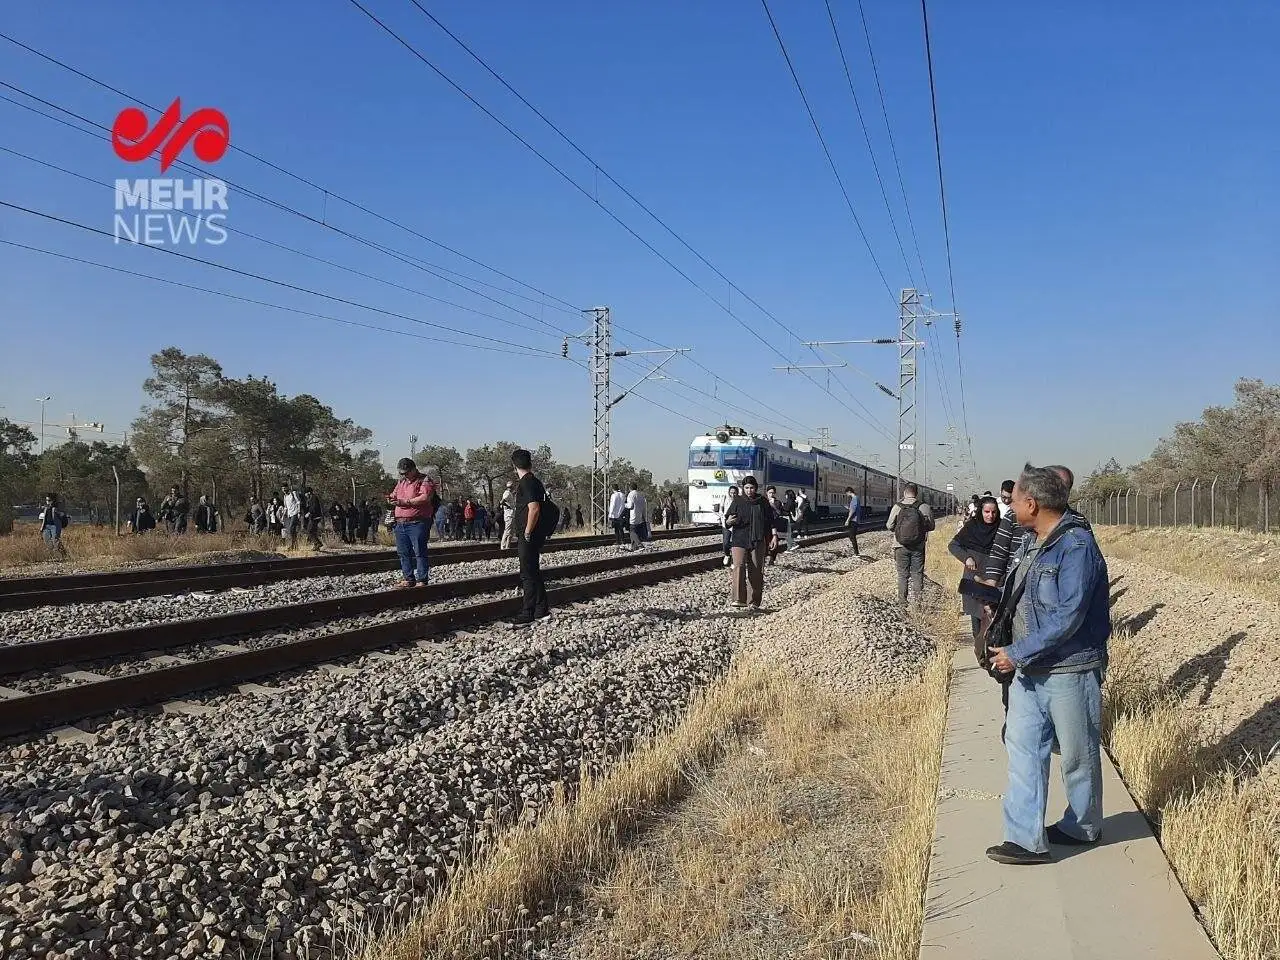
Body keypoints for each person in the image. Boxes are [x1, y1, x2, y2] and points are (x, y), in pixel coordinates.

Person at [984, 464, 1111, 866]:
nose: (1011, 504)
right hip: (1028, 669)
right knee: (1022, 749)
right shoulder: (1031, 541)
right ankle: (1025, 839)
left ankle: (1082, 826)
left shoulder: (1077, 546)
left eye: (1015, 499)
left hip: (1070, 670)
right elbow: (1022, 597)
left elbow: (1068, 617)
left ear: (1032, 503)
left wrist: (1017, 653)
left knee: (1078, 756)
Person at [723, 475, 781, 612]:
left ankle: (753, 601)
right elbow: (728, 519)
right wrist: (729, 522)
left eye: (752, 488)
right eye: (747, 488)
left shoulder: (762, 501)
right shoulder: (737, 501)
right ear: (743, 488)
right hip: (739, 539)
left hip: (758, 539)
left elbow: (771, 520)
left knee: (756, 570)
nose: (749, 490)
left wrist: (774, 536)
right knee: (738, 566)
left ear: (756, 488)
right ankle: (738, 599)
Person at [949, 496, 1001, 638]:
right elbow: (953, 545)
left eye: (994, 512)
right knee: (976, 617)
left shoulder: (1002, 529)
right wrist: (967, 558)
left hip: (994, 578)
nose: (990, 516)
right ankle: (980, 652)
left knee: (994, 617)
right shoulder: (971, 527)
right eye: (987, 512)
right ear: (981, 512)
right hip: (973, 577)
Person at [510, 448, 551, 627]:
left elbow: (534, 508)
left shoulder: (526, 483)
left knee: (527, 574)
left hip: (529, 535)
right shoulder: (535, 481)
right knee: (533, 571)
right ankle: (542, 610)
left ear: (514, 466)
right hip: (535, 533)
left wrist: (527, 531)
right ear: (530, 463)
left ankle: (528, 612)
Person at [388, 457, 437, 589]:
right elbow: (394, 494)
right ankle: (408, 578)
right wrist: (391, 499)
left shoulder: (424, 480)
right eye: (401, 473)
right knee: (403, 552)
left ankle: (422, 579)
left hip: (418, 522)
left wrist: (406, 502)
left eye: (406, 472)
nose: (403, 475)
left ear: (414, 469)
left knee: (419, 551)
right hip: (400, 522)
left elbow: (425, 497)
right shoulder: (401, 482)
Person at [887, 483, 935, 609]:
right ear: (917, 493)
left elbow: (889, 526)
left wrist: (900, 529)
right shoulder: (924, 506)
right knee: (917, 574)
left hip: (900, 545)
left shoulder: (897, 507)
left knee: (903, 575)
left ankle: (902, 603)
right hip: (918, 546)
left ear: (904, 493)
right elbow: (932, 526)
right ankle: (918, 604)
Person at [764, 485, 785, 565]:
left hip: (775, 524)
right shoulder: (764, 501)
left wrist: (773, 506)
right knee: (765, 540)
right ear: (767, 493)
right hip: (766, 524)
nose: (771, 494)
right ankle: (765, 556)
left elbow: (780, 513)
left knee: (775, 541)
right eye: (770, 493)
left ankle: (772, 558)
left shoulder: (777, 502)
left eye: (773, 493)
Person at [719, 485, 739, 567]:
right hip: (726, 523)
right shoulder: (725, 498)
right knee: (726, 542)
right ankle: (727, 554)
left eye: (734, 493)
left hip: (735, 524)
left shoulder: (739, 501)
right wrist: (722, 516)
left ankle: (734, 560)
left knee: (735, 543)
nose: (733, 494)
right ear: (729, 492)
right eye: (731, 492)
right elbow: (721, 508)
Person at [626, 484, 649, 550]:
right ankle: (634, 547)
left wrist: (625, 505)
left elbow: (630, 506)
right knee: (636, 531)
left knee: (632, 531)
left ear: (630, 488)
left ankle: (639, 545)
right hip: (640, 516)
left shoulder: (631, 494)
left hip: (633, 515)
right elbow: (644, 506)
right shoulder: (641, 495)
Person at [282, 484, 302, 549]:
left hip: (295, 513)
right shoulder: (285, 496)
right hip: (290, 514)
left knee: (291, 528)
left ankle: (292, 545)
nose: (284, 490)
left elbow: (298, 502)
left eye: (285, 488)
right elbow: (285, 507)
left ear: (287, 488)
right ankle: (295, 545)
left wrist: (299, 512)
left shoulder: (293, 493)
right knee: (292, 530)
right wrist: (283, 516)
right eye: (282, 489)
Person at [844, 486, 861, 557]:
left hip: (854, 519)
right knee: (852, 536)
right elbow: (853, 509)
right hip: (855, 519)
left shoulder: (854, 499)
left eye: (846, 493)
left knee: (852, 536)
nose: (847, 495)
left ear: (849, 492)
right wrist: (849, 508)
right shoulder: (856, 498)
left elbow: (853, 510)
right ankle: (856, 552)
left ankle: (856, 553)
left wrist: (847, 520)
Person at [499, 480, 516, 550]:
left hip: (511, 515)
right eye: (513, 486)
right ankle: (503, 546)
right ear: (511, 487)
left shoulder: (510, 493)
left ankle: (507, 546)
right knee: (507, 531)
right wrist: (509, 506)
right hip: (509, 515)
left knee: (511, 532)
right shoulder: (507, 493)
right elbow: (501, 502)